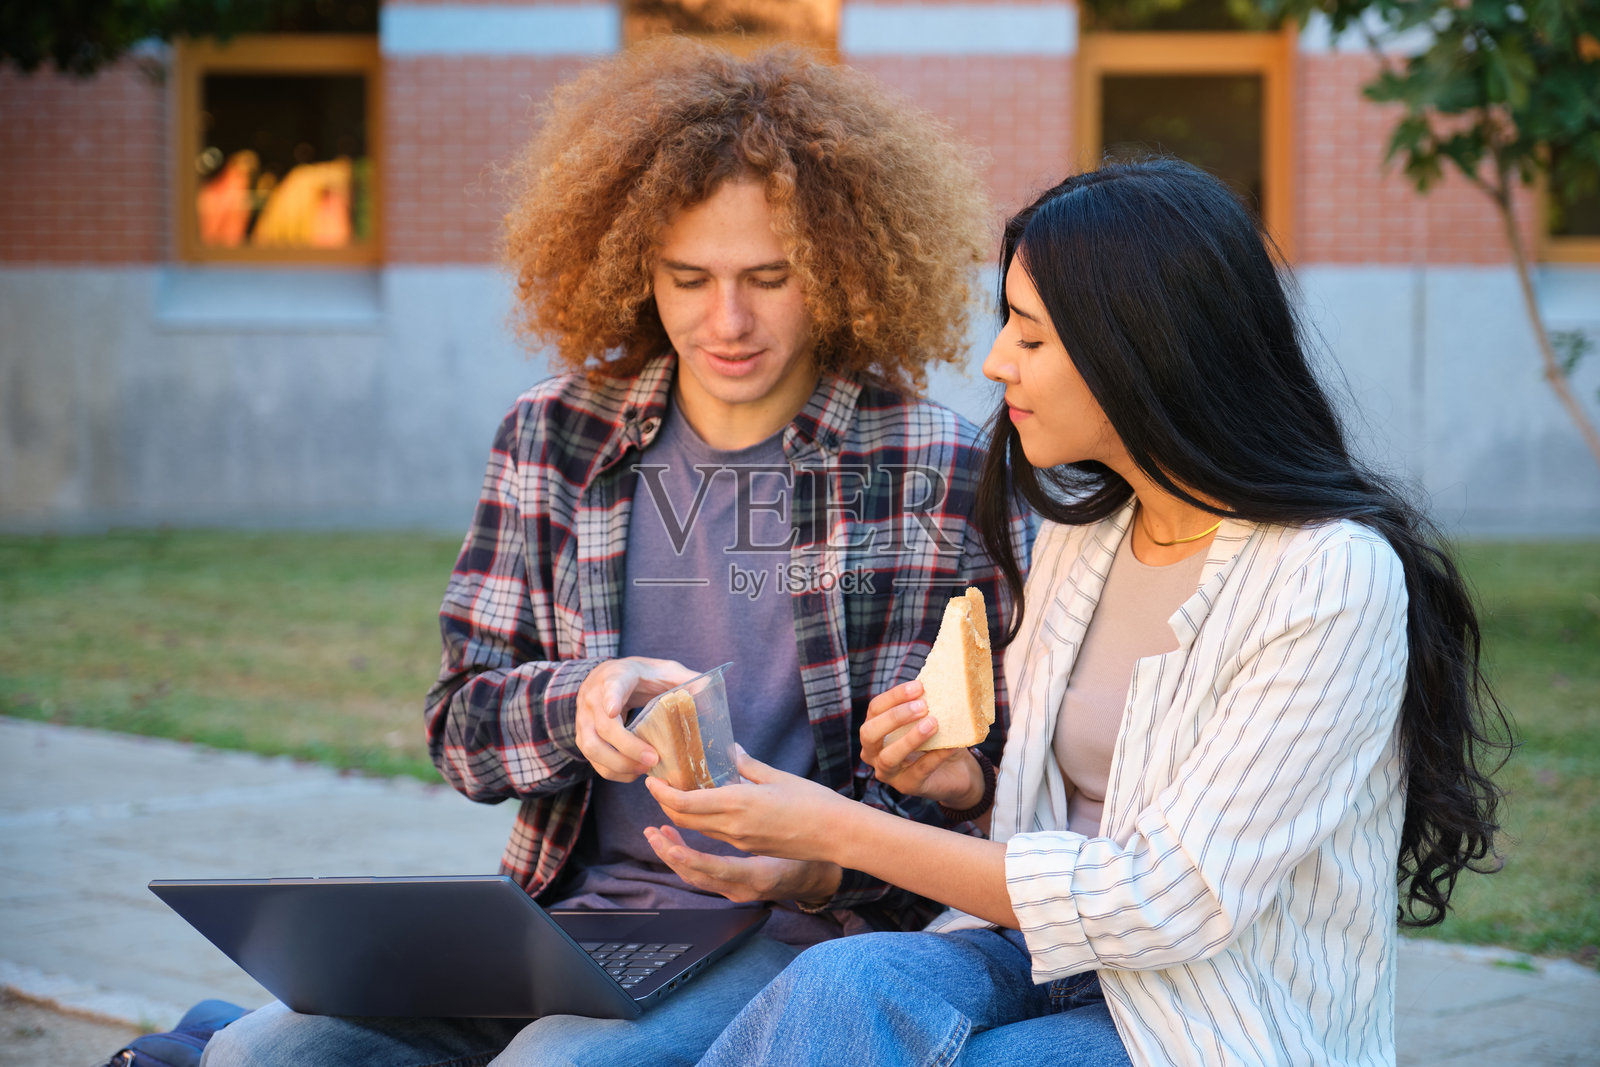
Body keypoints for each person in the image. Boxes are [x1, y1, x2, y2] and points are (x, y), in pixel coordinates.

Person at [201, 38, 1027, 1067]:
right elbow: (460, 725)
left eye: (769, 277)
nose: (726, 321)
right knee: (258, 1052)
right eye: (690, 277)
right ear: (636, 263)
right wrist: (584, 696)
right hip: (563, 918)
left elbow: (977, 778)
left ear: (839, 268)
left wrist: (812, 868)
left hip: (797, 934)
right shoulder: (554, 436)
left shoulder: (929, 463)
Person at [649, 158, 1510, 1065]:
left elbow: (1169, 900)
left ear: (1138, 348)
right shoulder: (1085, 539)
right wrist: (969, 790)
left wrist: (839, 827)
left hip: (1215, 1007)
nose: (993, 363)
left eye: (1029, 334)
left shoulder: (1330, 576)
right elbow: (1052, 841)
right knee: (838, 985)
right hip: (1048, 960)